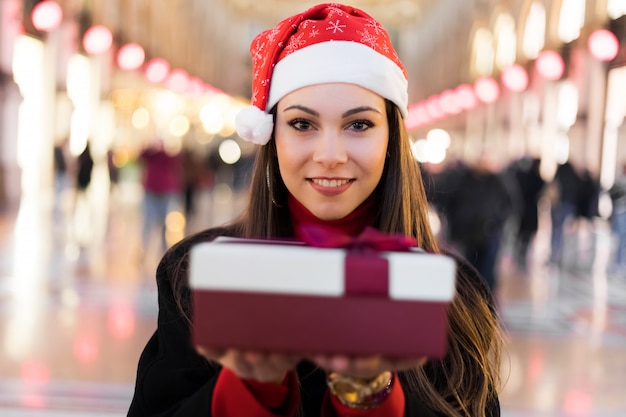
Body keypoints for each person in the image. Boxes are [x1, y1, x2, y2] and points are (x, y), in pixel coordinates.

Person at [128, 3, 503, 417]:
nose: (330, 155)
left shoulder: (449, 292)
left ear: (391, 139)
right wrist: (249, 388)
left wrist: (371, 395)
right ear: (272, 137)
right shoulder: (194, 277)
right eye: (302, 124)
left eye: (358, 124)